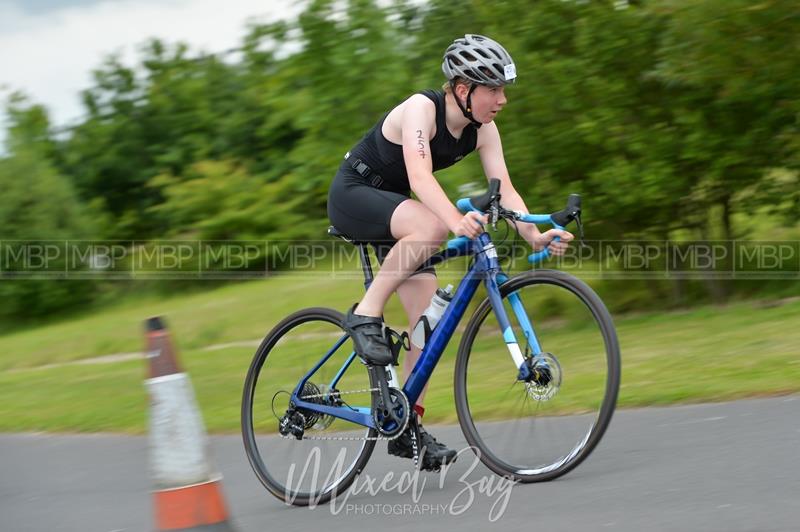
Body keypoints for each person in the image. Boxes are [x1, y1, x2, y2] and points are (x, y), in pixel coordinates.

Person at [327, 34, 574, 469]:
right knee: (432, 226)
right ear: (463, 89)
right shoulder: (421, 109)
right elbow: (420, 178)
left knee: (428, 329)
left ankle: (405, 426)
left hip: (396, 214)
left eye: (503, 89)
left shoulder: (484, 130)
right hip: (355, 193)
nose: (501, 100)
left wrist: (533, 234)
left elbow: (507, 190)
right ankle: (365, 314)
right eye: (493, 89)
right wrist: (454, 221)